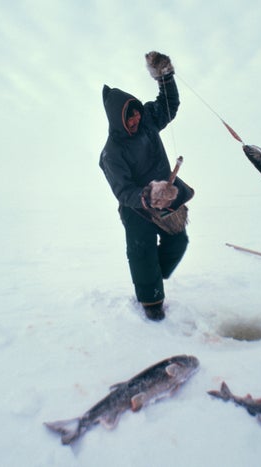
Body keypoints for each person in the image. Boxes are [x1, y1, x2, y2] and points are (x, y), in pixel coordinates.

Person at [99, 51, 193, 321]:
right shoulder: (111, 153)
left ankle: (153, 275)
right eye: (129, 118)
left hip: (168, 198)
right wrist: (147, 195)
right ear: (117, 119)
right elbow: (123, 190)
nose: (135, 120)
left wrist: (165, 77)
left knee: (179, 241)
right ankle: (151, 302)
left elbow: (169, 105)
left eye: (136, 114)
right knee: (142, 252)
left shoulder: (148, 122)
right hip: (136, 208)